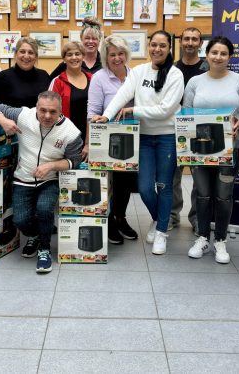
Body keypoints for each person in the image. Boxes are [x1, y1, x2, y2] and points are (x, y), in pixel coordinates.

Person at [93, 30, 184, 255]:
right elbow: (122, 94)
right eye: (154, 45)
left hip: (167, 137)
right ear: (148, 46)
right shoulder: (140, 71)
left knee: (163, 186)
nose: (157, 49)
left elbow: (166, 110)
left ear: (169, 48)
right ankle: (159, 219)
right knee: (144, 188)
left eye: (163, 45)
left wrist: (135, 110)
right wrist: (106, 115)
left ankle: (162, 230)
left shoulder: (175, 74)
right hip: (143, 137)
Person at [0, 91, 83, 273]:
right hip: (22, 178)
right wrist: (4, 121)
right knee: (20, 220)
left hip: (50, 180)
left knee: (44, 209)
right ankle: (35, 235)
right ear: (36, 108)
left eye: (53, 112)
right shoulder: (24, 115)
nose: (47, 116)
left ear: (61, 111)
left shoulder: (71, 132)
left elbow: (74, 161)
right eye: (43, 110)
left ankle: (44, 249)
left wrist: (52, 166)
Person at [183, 36, 239, 263]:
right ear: (207, 54)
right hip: (199, 148)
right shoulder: (195, 82)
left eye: (223, 53)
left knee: (223, 196)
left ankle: (220, 240)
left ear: (229, 57)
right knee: (202, 194)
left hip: (230, 149)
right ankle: (202, 236)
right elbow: (186, 113)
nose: (218, 57)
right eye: (214, 52)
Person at [87, 35, 139, 245]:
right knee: (107, 182)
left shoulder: (135, 75)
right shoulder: (99, 78)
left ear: (126, 54)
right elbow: (92, 111)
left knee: (125, 182)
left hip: (130, 140)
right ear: (105, 58)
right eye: (112, 55)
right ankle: (107, 220)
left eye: (120, 53)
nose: (117, 58)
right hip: (106, 141)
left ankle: (120, 217)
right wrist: (89, 142)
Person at [170, 27, 208, 232]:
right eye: (186, 39)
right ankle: (173, 215)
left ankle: (196, 217)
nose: (190, 43)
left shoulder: (208, 68)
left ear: (201, 43)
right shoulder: (173, 68)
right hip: (174, 130)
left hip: (201, 130)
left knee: (199, 178)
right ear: (181, 42)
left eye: (195, 39)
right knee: (173, 176)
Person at [0, 36, 51, 111]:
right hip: (10, 121)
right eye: (22, 51)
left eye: (31, 52)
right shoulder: (3, 76)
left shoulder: (43, 76)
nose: (26, 56)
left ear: (36, 57)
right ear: (15, 54)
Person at [49, 41, 92, 145]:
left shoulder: (93, 79)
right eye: (69, 54)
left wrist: (88, 142)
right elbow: (51, 112)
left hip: (92, 136)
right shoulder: (57, 82)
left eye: (77, 54)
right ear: (64, 59)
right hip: (66, 138)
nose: (74, 57)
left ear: (83, 56)